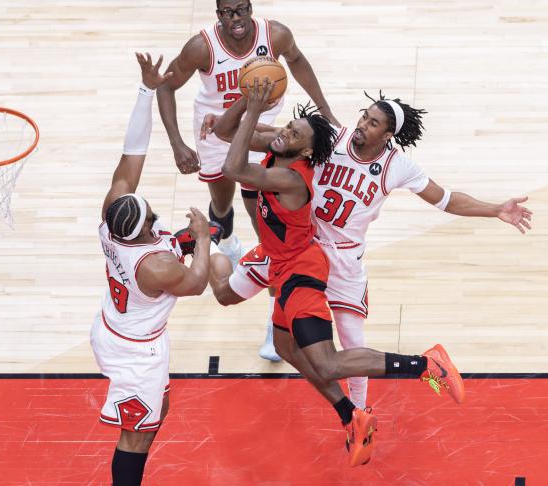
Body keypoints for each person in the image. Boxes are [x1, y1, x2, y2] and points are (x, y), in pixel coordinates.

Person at [203, 90, 533, 409]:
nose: (362, 124)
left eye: (373, 123)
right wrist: (224, 119)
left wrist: (495, 209)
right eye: (364, 116)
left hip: (344, 259)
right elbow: (274, 134)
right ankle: (228, 252)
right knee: (232, 299)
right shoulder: (331, 137)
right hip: (300, 245)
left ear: (388, 134)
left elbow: (446, 199)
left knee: (350, 342)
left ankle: (360, 412)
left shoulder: (398, 167)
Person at [197, 79, 466, 467]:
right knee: (284, 343)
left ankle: (421, 369)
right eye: (364, 115)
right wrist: (241, 107)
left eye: (374, 122)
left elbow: (233, 166)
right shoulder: (308, 144)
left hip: (310, 263)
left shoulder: (295, 176)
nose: (285, 130)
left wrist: (252, 105)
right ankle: (351, 414)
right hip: (286, 254)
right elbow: (231, 136)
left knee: (335, 354)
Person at [90, 52, 224, 486]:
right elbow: (197, 281)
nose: (153, 215)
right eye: (152, 217)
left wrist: (147, 90)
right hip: (135, 351)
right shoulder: (156, 266)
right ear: (144, 229)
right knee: (136, 436)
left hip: (116, 326)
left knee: (154, 414)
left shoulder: (115, 213)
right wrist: (200, 236)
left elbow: (133, 150)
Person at [157, 0, 339, 272]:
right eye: (228, 12)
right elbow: (165, 87)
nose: (236, 17)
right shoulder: (202, 47)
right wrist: (177, 144)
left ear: (251, 8)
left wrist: (325, 112)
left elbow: (297, 60)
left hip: (260, 117)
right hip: (214, 122)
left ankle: (272, 271)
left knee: (257, 198)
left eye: (242, 9)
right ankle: (228, 242)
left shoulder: (275, 34)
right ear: (219, 15)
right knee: (221, 200)